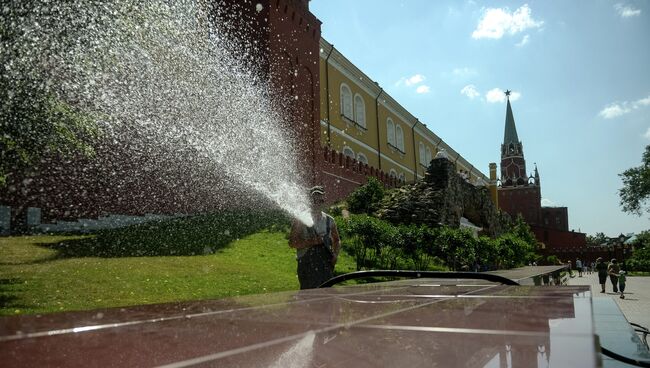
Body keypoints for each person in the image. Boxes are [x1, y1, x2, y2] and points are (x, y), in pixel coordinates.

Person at [289, 186, 341, 289]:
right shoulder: (300, 219)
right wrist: (312, 242)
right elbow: (292, 243)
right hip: (306, 265)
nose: (317, 202)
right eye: (314, 199)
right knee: (308, 297)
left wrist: (335, 255)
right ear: (309, 201)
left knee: (327, 297)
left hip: (326, 265)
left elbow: (337, 240)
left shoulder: (330, 220)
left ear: (323, 200)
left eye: (320, 199)